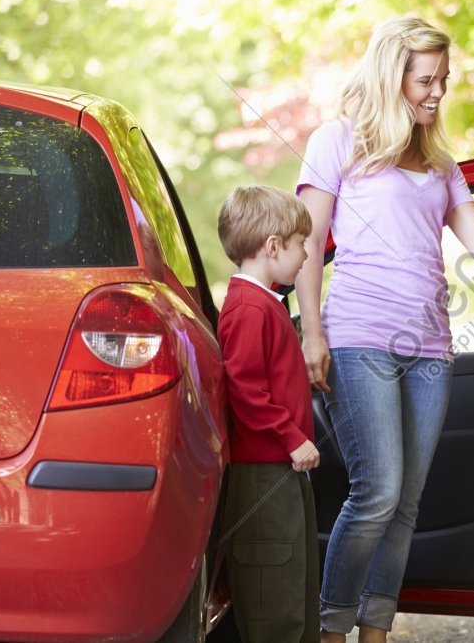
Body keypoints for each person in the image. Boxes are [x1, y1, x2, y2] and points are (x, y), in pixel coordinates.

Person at [294, 16, 474, 643]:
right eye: (426, 80)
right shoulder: (336, 141)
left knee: (406, 505)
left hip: (430, 352)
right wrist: (313, 332)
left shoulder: (441, 163)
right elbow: (306, 244)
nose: (438, 92)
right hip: (358, 339)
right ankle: (331, 629)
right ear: (393, 77)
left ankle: (377, 632)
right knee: (378, 491)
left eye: (444, 79)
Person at [216, 186, 321, 643]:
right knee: (271, 593)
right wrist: (291, 436)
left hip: (282, 467)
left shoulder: (266, 303)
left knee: (295, 580)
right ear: (273, 245)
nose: (306, 255)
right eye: (301, 244)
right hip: (264, 470)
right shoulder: (247, 307)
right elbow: (245, 388)